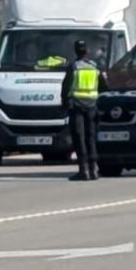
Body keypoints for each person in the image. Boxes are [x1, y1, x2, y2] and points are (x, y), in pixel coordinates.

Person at [60, 38, 101, 181]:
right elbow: (104, 86)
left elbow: (65, 88)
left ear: (76, 51)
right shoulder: (95, 66)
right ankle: (94, 169)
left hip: (77, 106)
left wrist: (64, 105)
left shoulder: (74, 67)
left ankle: (83, 170)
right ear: (87, 51)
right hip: (92, 106)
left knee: (79, 138)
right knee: (91, 137)